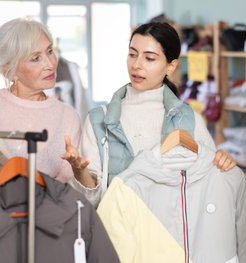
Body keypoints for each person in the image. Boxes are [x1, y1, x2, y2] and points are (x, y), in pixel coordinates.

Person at [61, 22, 236, 206]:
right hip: (118, 232)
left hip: (172, 234)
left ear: (171, 66)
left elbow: (207, 188)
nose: (136, 65)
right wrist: (80, 172)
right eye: (132, 54)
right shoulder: (98, 120)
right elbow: (93, 201)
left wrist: (223, 163)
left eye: (149, 58)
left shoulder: (189, 120)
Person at [0, 18, 81, 183]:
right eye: (35, 58)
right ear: (10, 72)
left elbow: (67, 185)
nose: (50, 64)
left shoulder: (68, 116)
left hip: (48, 207)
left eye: (50, 51)